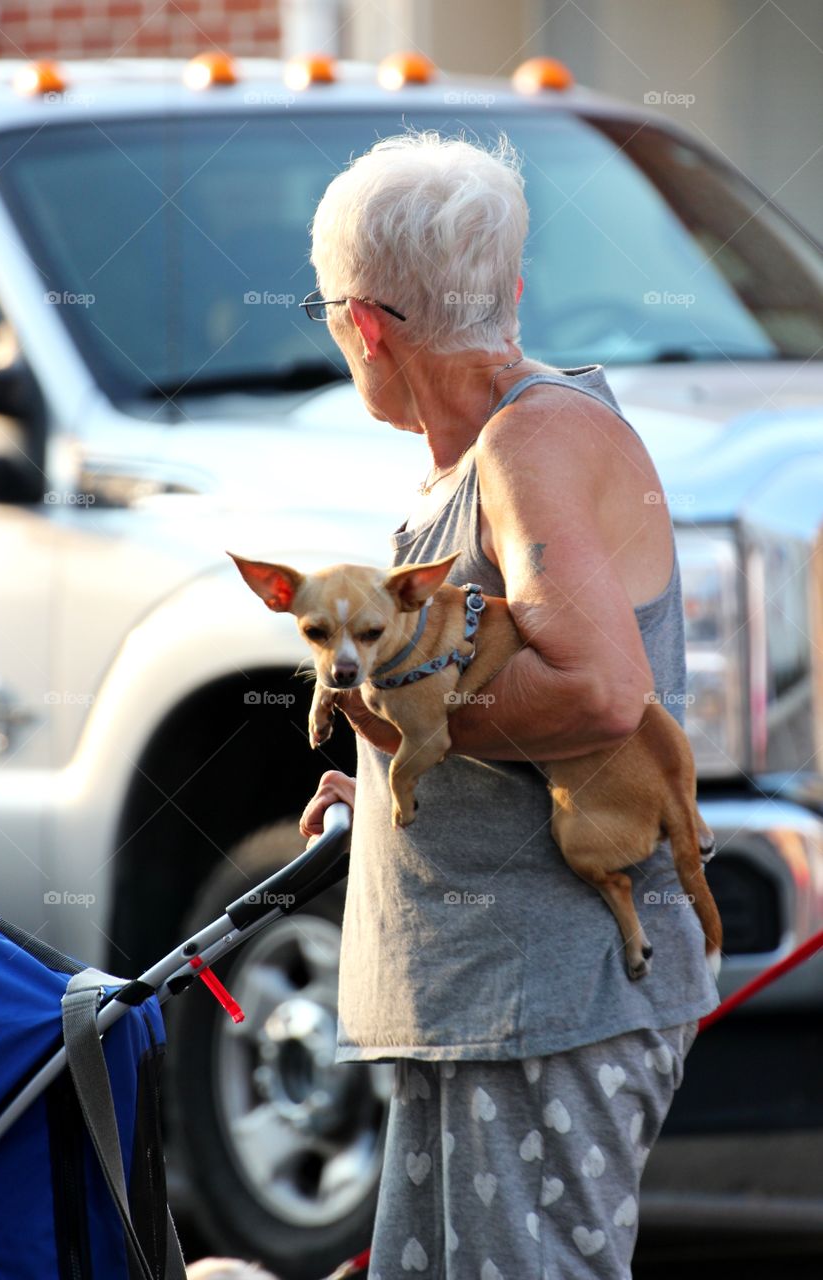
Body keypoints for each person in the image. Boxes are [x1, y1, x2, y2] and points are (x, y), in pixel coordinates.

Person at [298, 131, 720, 1280]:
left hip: (547, 998)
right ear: (510, 289)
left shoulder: (531, 440)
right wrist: (388, 769)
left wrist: (415, 733)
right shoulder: (482, 453)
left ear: (365, 323)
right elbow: (482, 685)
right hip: (489, 1000)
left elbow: (596, 685)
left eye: (326, 313)